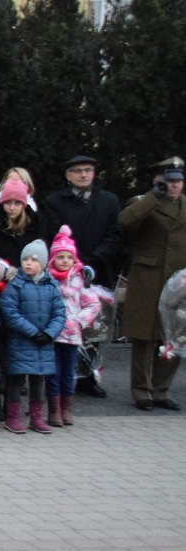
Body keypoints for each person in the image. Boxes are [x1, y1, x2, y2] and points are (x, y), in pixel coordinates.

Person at [42, 154, 122, 399]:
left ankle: (89, 376)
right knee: (66, 323)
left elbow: (114, 236)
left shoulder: (108, 200)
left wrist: (93, 261)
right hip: (64, 271)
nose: (84, 175)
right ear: (68, 175)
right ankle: (65, 376)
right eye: (78, 171)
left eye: (88, 170)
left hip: (97, 270)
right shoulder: (55, 201)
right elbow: (51, 235)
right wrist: (71, 264)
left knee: (94, 326)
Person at [119, 156, 186, 411]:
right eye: (170, 181)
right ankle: (142, 391)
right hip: (148, 278)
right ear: (159, 181)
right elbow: (126, 222)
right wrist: (152, 197)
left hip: (179, 280)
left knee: (174, 335)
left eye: (179, 181)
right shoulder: (144, 202)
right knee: (144, 337)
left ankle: (161, 390)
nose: (175, 186)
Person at [0, 239, 66, 434]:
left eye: (33, 260)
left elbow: (59, 313)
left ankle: (36, 417)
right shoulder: (15, 285)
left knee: (38, 381)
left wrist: (49, 333)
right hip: (21, 341)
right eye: (25, 259)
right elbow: (10, 312)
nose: (28, 263)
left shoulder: (51, 286)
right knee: (16, 380)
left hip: (43, 343)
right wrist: (32, 332)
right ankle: (12, 417)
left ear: (43, 264)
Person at [44, 226, 101, 427]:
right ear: (52, 259)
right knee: (53, 372)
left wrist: (78, 320)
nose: (65, 261)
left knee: (68, 372)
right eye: (60, 257)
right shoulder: (47, 280)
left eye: (69, 257)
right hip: (52, 333)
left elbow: (93, 304)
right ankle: (54, 409)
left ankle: (66, 407)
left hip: (72, 333)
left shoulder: (79, 280)